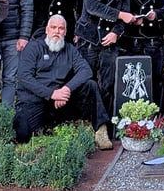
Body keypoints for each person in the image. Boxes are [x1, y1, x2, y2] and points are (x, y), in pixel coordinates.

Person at [15, 15, 108, 145]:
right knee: (23, 135)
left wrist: (66, 89)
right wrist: (52, 94)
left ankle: (101, 130)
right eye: (53, 28)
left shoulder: (70, 49)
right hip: (36, 99)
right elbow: (24, 77)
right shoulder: (33, 47)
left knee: (90, 85)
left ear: (65, 32)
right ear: (47, 30)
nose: (57, 32)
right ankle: (46, 129)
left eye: (61, 28)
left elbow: (86, 71)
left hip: (61, 100)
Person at [76, 0, 134, 148]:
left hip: (111, 42)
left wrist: (116, 33)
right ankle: (89, 125)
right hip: (89, 40)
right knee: (87, 82)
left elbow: (125, 18)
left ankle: (105, 127)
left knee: (107, 85)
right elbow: (93, 7)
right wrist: (119, 15)